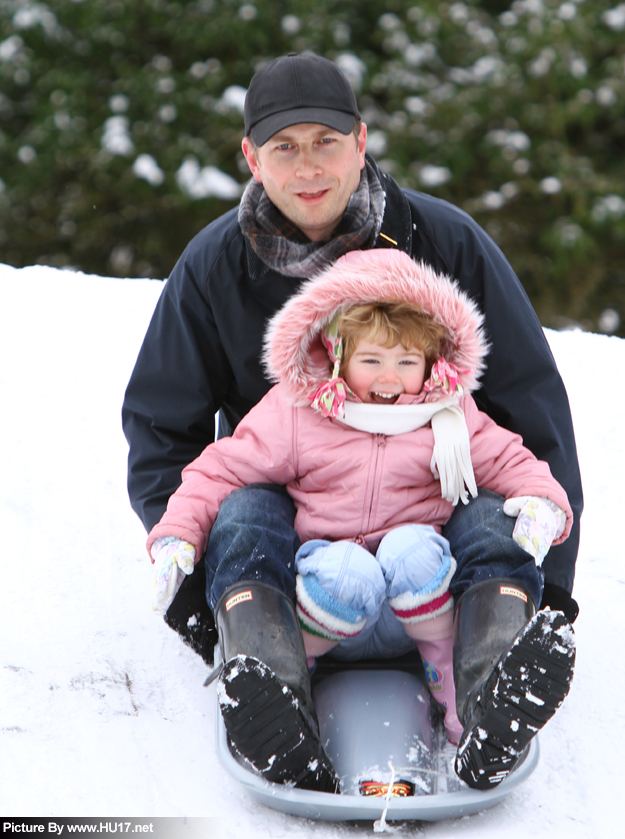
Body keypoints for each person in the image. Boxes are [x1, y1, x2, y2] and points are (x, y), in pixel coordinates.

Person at [121, 53, 583, 790]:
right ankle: (266, 684)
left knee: (498, 510)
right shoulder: (213, 266)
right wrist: (192, 582)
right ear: (250, 157)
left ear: (361, 142)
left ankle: (495, 679)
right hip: (294, 536)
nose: (308, 167)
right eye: (283, 147)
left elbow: (530, 413)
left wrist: (547, 580)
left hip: (427, 532)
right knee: (241, 506)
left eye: (325, 142)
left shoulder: (445, 242)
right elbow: (164, 430)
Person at [146, 249, 575, 792]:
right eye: (372, 360)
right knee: (263, 519)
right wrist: (179, 532)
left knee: (432, 541)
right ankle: (278, 697)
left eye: (406, 362)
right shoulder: (299, 412)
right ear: (338, 353)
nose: (389, 378)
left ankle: (484, 703)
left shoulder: (447, 414)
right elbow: (223, 468)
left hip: (418, 613)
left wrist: (541, 502)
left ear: (432, 361)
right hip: (324, 607)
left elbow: (513, 459)